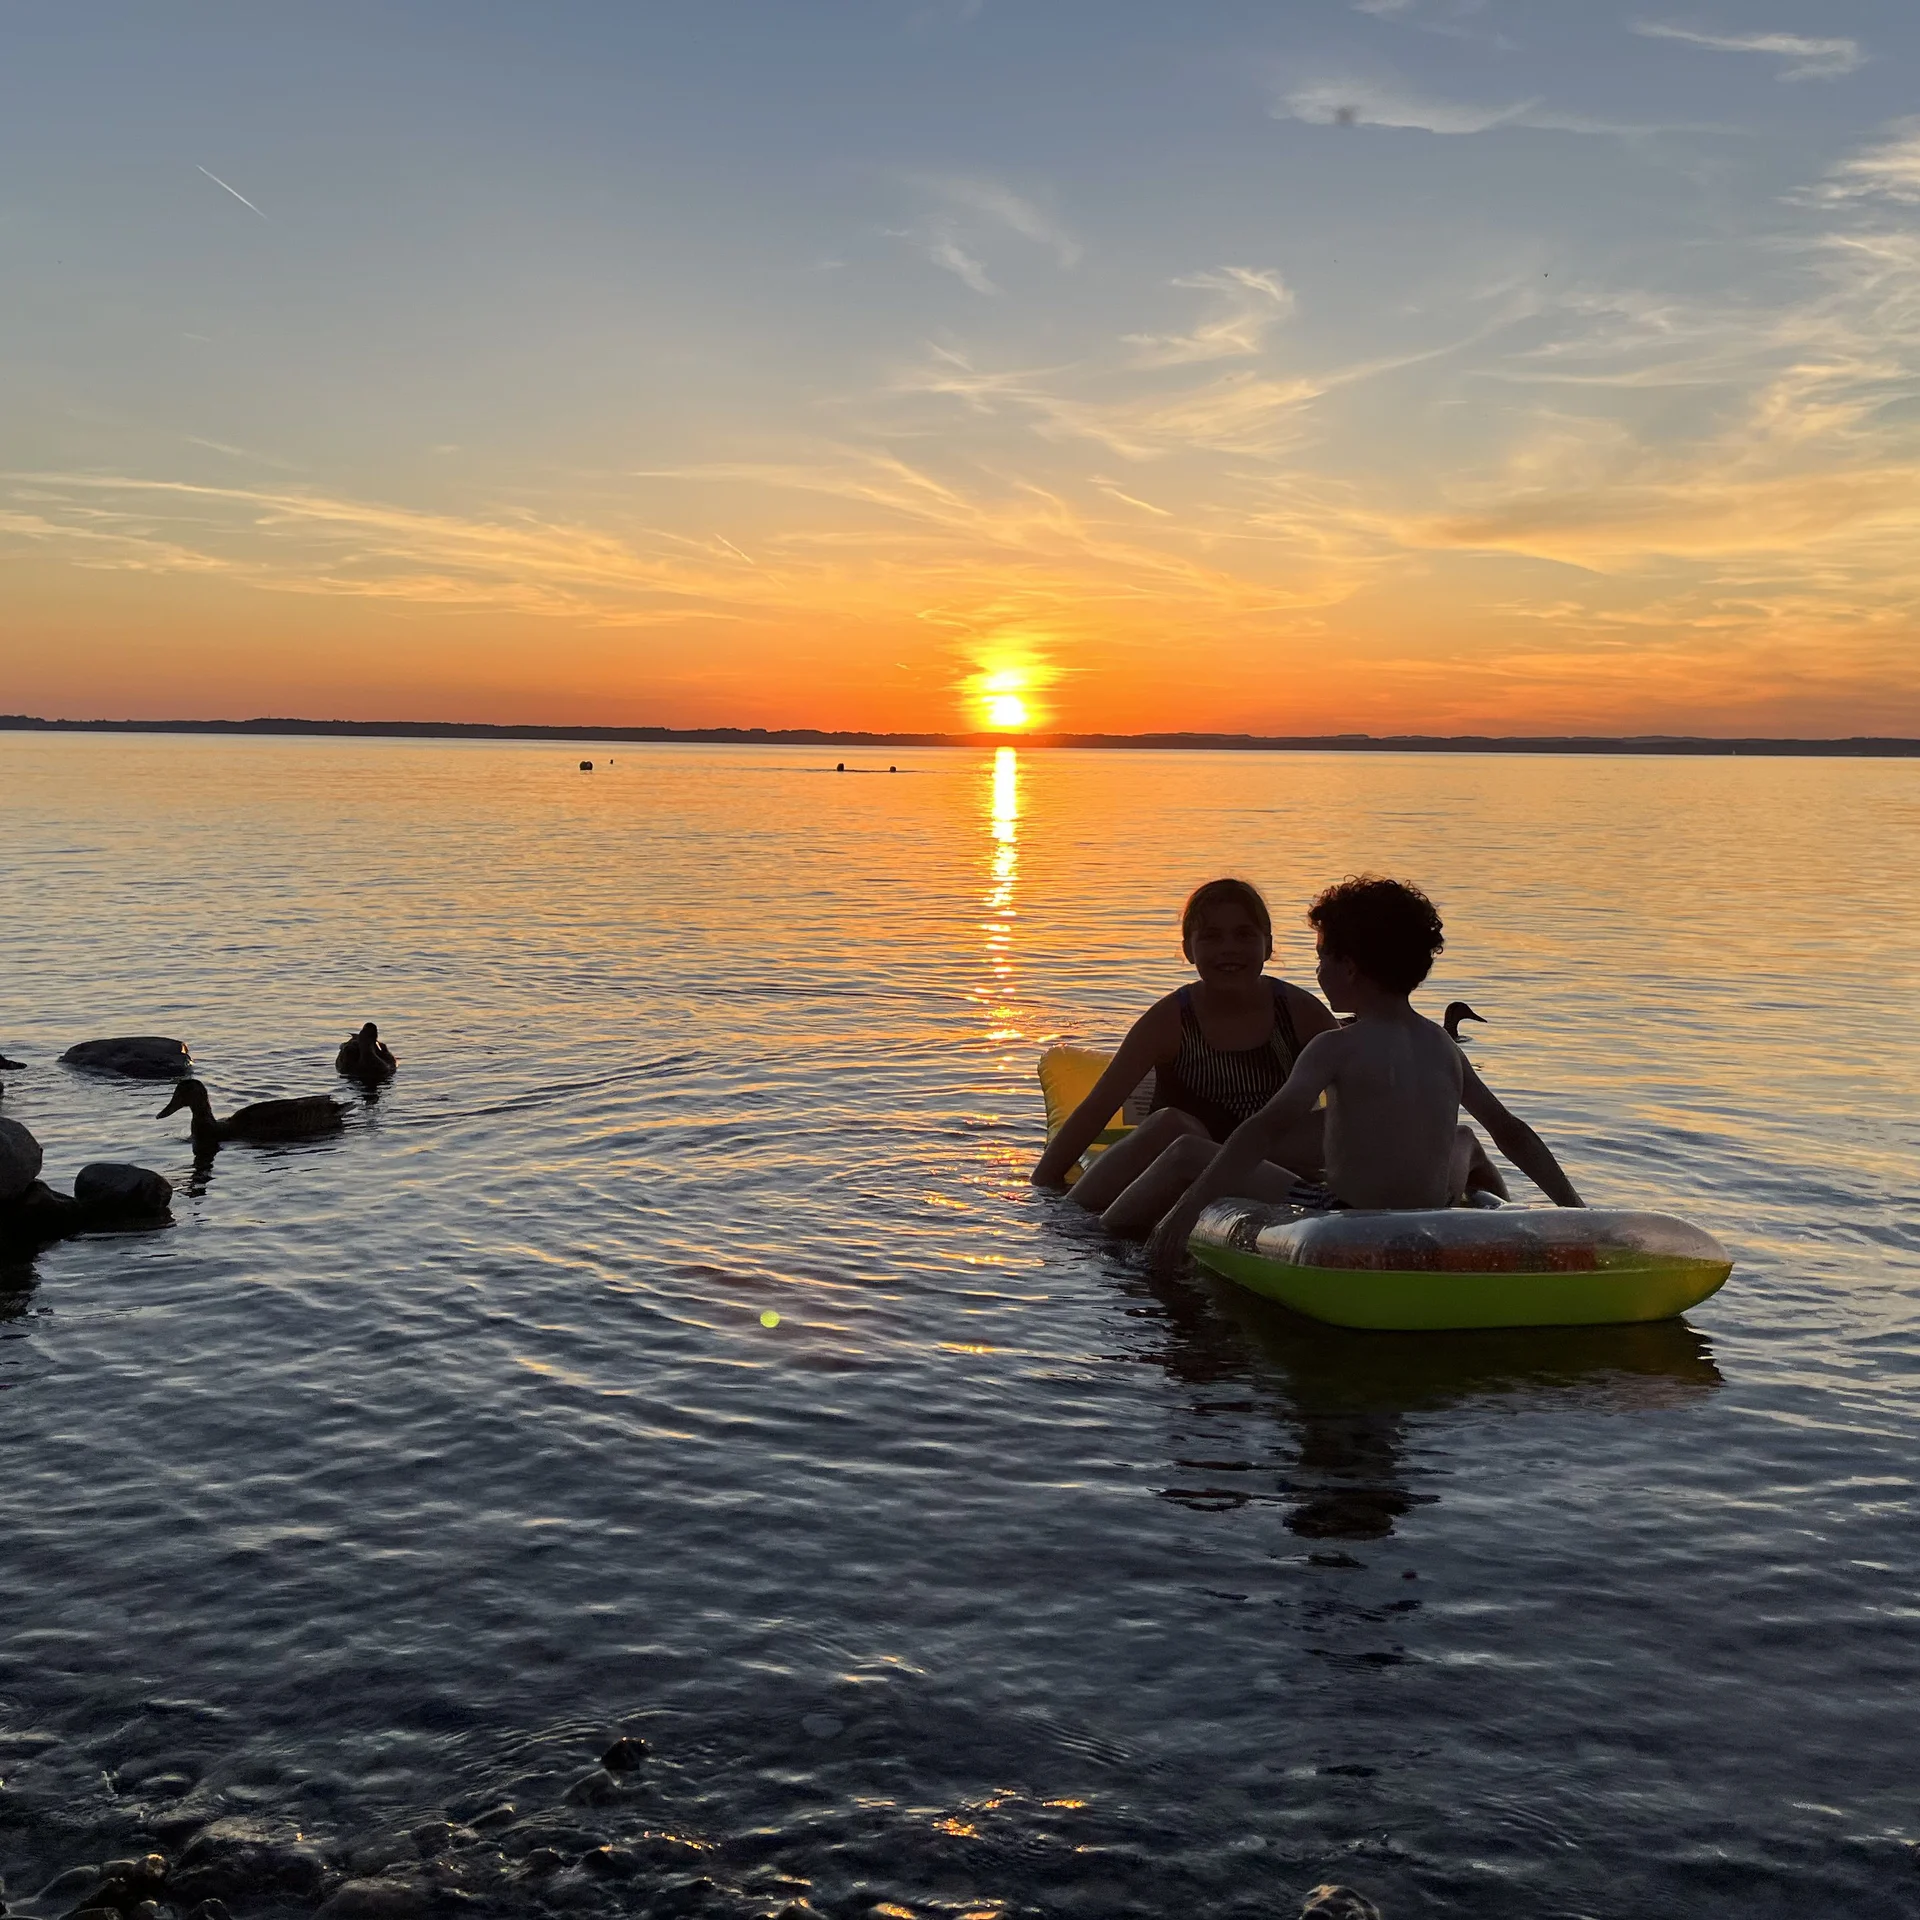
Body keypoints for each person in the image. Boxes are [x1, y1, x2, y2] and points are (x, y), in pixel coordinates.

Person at [1143, 876, 1583, 1273]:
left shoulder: (1335, 1046)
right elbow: (1511, 1132)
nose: (1317, 973)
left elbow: (1262, 1130)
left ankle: (1104, 1235)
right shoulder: (1443, 1046)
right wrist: (1577, 1214)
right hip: (1430, 1214)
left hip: (1345, 1217)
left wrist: (1185, 1213)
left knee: (1195, 1158)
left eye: (1321, 959)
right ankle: (1500, 1226)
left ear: (1349, 967)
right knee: (1467, 1143)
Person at [1031, 878, 1342, 1232]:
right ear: (1189, 950)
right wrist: (1044, 1192)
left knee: (1328, 1119)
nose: (1229, 948)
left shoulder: (1300, 1011)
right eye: (1211, 936)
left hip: (1264, 1164)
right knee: (1170, 1124)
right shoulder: (1169, 1019)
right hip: (1179, 1165)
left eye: (1244, 935)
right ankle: (1074, 1225)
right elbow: (1097, 1108)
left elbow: (1359, 1101)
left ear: (1268, 946)